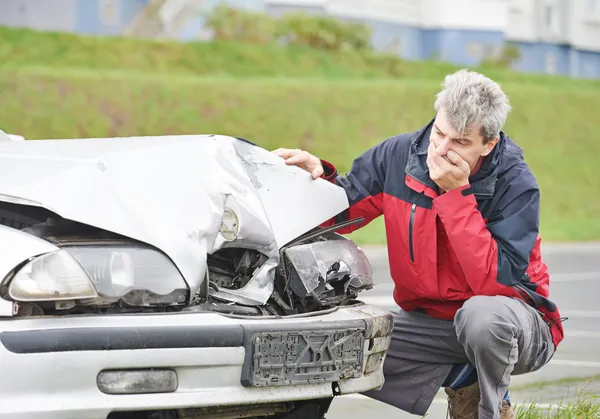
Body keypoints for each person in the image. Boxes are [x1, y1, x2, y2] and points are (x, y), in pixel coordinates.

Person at [273, 69, 565, 419]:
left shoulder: (515, 183)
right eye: (439, 133)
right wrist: (314, 180)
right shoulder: (398, 156)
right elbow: (341, 210)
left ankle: (491, 411)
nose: (440, 150)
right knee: (329, 352)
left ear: (489, 143)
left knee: (481, 318)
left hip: (517, 325)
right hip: (428, 324)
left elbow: (496, 283)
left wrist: (457, 196)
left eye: (459, 142)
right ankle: (462, 375)